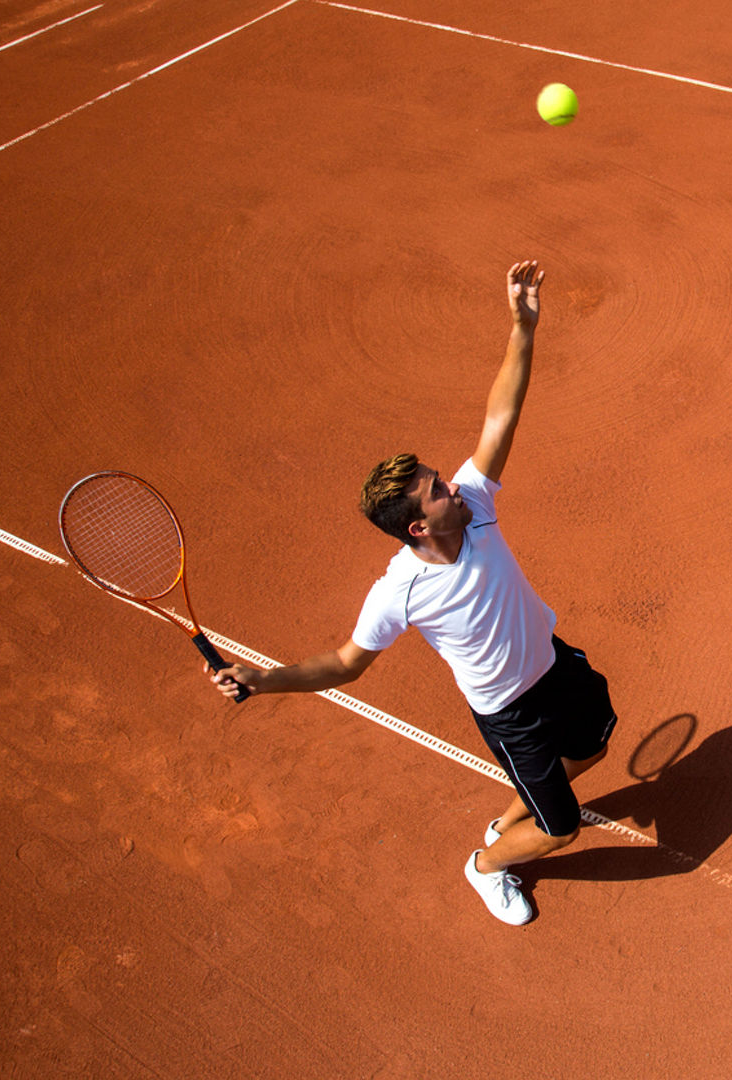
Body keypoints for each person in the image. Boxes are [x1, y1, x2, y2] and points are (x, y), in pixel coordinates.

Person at [208, 261, 616, 925]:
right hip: (510, 713)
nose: (451, 482)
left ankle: (514, 814)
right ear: (419, 525)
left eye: (438, 476)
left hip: (551, 664)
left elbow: (501, 414)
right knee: (561, 829)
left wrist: (524, 327)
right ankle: (486, 865)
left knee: (593, 746)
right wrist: (261, 679)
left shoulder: (475, 505)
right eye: (436, 487)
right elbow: (343, 664)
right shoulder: (400, 593)